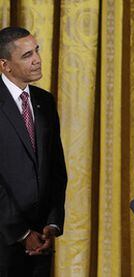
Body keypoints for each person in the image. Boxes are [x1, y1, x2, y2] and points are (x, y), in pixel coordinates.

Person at [0, 27, 67, 276]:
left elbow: (56, 169)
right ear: (5, 65)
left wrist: (52, 223)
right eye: (27, 55)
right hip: (5, 240)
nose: (37, 59)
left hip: (41, 242)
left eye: (36, 50)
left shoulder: (45, 101)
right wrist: (21, 232)